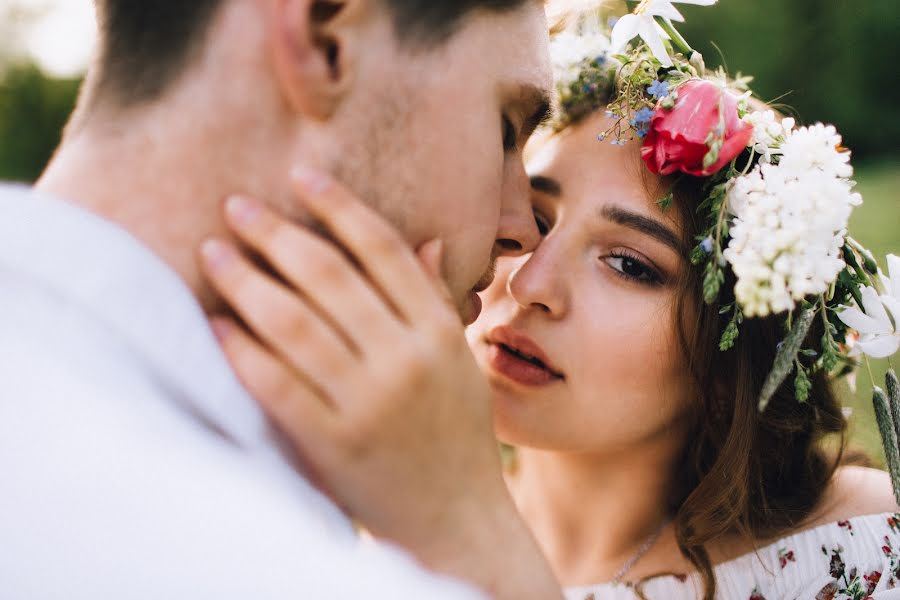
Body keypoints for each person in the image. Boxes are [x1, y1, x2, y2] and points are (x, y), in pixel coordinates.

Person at [206, 7, 900, 600]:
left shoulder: (854, 556)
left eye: (628, 264)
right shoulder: (363, 528)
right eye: (535, 217)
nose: (531, 284)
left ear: (731, 355)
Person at [0, 0, 566, 598]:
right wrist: (477, 536)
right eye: (505, 129)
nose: (520, 231)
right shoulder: (249, 563)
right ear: (326, 42)